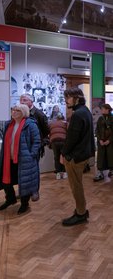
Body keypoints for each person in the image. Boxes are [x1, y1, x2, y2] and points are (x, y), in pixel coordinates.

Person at [0, 104, 41, 215]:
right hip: (8, 159)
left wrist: (31, 155)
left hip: (25, 159)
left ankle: (25, 204)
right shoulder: (8, 124)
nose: (14, 112)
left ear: (24, 113)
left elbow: (36, 141)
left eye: (17, 111)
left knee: (25, 182)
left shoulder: (30, 125)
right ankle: (10, 199)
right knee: (6, 180)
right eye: (13, 110)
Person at [60, 87, 95, 226]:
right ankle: (81, 210)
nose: (66, 100)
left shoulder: (78, 114)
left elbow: (72, 139)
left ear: (77, 98)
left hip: (75, 156)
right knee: (77, 185)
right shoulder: (85, 111)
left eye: (68, 97)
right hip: (83, 154)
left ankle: (81, 213)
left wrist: (63, 153)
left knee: (76, 186)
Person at [20, 93, 50, 201]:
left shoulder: (39, 115)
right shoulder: (21, 114)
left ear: (31, 102)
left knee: (34, 170)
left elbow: (46, 131)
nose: (21, 102)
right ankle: (24, 191)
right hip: (23, 147)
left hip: (34, 148)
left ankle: (34, 191)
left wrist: (39, 144)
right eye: (21, 100)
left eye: (24, 100)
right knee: (24, 170)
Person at [93, 103, 113, 182]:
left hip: (110, 143)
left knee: (110, 157)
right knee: (100, 158)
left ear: (107, 109)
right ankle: (100, 173)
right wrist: (100, 139)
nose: (101, 110)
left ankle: (111, 170)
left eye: (103, 109)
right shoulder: (100, 119)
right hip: (101, 142)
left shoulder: (112, 119)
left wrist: (109, 140)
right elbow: (97, 130)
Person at [49, 113, 68, 179]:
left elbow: (50, 133)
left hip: (54, 141)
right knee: (64, 156)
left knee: (56, 157)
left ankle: (58, 174)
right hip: (63, 141)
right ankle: (65, 172)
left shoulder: (52, 124)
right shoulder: (65, 123)